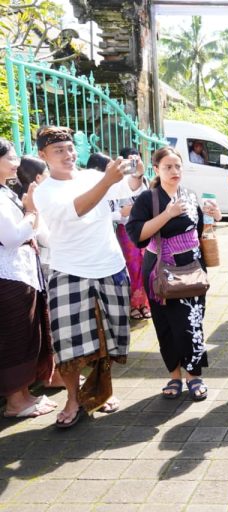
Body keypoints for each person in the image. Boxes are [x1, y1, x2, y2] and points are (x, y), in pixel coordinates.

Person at [32, 125, 144, 428]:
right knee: (68, 343)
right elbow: (77, 209)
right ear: (43, 155)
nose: (68, 155)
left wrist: (135, 178)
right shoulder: (43, 191)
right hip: (69, 270)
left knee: (107, 338)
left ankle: (101, 390)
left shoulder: (93, 177)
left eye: (70, 148)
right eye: (59, 151)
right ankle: (72, 397)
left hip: (109, 265)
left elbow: (124, 203)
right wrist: (107, 180)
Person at [126, 146, 221, 401]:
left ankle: (194, 375)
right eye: (168, 166)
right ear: (156, 169)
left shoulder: (189, 195)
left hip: (191, 269)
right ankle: (174, 376)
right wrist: (166, 215)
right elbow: (136, 234)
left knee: (191, 323)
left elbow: (200, 229)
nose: (175, 171)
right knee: (166, 324)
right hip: (160, 270)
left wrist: (216, 215)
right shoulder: (149, 199)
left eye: (178, 166)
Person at [0, 138, 56, 418]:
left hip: (21, 273)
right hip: (8, 276)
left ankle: (23, 393)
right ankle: (15, 402)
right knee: (14, 337)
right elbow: (10, 237)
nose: (16, 161)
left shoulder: (5, 190)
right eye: (10, 156)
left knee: (25, 334)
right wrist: (32, 211)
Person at [114, 147, 151, 320]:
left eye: (135, 159)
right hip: (126, 231)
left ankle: (146, 303)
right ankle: (134, 305)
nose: (132, 164)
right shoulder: (116, 182)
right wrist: (123, 212)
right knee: (133, 267)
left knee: (147, 266)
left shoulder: (145, 180)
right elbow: (114, 210)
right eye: (129, 160)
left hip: (145, 229)